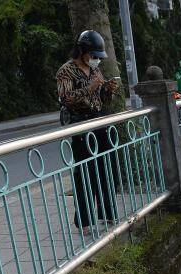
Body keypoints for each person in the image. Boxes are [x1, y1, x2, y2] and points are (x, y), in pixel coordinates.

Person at [55, 30, 120, 236]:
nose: (95, 61)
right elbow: (65, 98)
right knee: (84, 173)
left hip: (98, 122)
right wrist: (90, 88)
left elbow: (102, 100)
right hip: (80, 125)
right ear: (82, 51)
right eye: (92, 56)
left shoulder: (95, 71)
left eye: (97, 58)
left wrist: (107, 90)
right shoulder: (66, 71)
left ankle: (108, 214)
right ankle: (84, 221)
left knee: (105, 168)